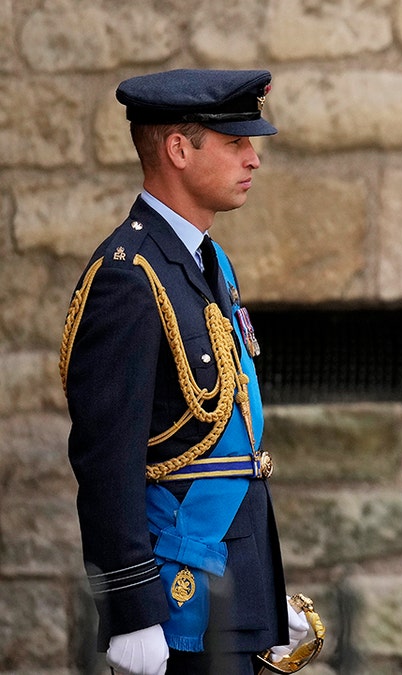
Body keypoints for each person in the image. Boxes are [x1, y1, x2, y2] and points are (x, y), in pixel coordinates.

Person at [59, 69, 308, 675]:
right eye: (235, 143)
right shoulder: (129, 274)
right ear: (178, 149)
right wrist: (130, 609)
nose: (254, 159)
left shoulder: (205, 259)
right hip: (177, 599)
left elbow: (234, 444)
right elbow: (106, 457)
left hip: (231, 584)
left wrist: (263, 592)